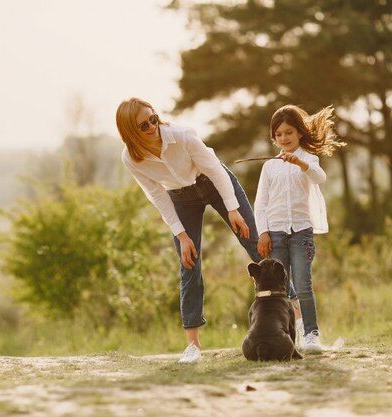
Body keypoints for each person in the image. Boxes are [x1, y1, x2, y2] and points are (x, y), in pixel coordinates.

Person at [115, 97, 262, 363]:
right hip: (180, 198)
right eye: (144, 125)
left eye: (154, 118)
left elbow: (217, 172)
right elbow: (157, 195)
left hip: (213, 182)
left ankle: (296, 316)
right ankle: (193, 346)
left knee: (254, 243)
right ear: (131, 132)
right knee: (189, 263)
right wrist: (181, 235)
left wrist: (232, 209)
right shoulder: (131, 158)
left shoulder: (183, 137)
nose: (152, 126)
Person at [254, 104, 345, 353]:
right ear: (274, 137)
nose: (284, 138)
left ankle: (312, 334)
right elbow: (260, 203)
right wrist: (262, 232)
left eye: (289, 133)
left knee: (303, 284)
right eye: (279, 134)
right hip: (276, 233)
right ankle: (287, 334)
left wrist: (300, 164)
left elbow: (319, 177)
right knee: (280, 288)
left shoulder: (308, 159)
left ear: (299, 134)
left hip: (302, 232)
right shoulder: (269, 166)